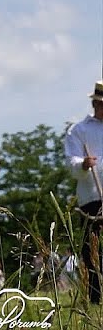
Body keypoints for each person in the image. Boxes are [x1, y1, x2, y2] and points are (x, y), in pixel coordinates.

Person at [65, 80, 103, 304]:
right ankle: (96, 298)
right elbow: (71, 163)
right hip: (92, 197)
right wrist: (83, 164)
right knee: (92, 251)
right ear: (95, 103)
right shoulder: (79, 131)